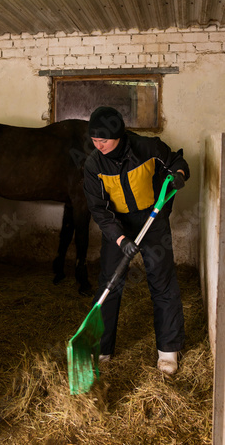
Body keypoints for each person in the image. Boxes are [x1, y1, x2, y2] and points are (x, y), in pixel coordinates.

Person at [83, 106, 190, 375]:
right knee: (110, 284)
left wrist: (179, 176)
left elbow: (178, 162)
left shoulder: (148, 148)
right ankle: (103, 350)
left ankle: (168, 351)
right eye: (94, 141)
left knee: (162, 282)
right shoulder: (94, 164)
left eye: (103, 140)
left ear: (118, 135)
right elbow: (98, 209)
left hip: (152, 222)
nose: (98, 146)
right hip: (117, 226)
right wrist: (120, 239)